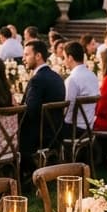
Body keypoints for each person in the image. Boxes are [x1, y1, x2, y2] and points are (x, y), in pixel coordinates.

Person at [20, 39, 65, 172]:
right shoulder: (57, 77)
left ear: (38, 56)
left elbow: (30, 111)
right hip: (56, 132)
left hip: (38, 136)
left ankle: (17, 174)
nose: (23, 59)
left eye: (27, 55)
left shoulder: (37, 80)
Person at [63, 41, 99, 129]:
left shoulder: (72, 79)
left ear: (70, 58)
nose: (63, 61)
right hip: (89, 127)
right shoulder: (93, 75)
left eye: (64, 58)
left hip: (74, 129)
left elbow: (68, 110)